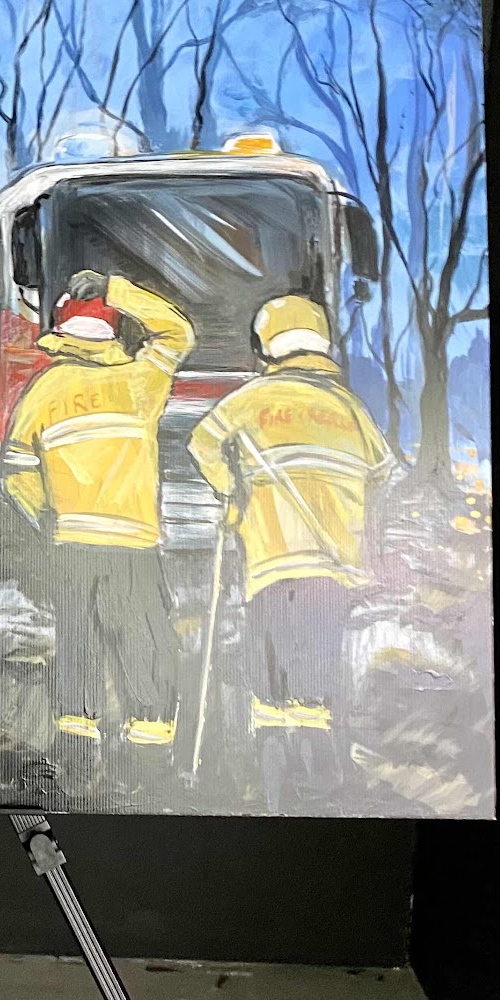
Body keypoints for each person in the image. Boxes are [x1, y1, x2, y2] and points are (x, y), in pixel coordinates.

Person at [187, 295, 393, 754]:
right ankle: (316, 766)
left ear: (266, 348)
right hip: (332, 564)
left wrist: (231, 491)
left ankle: (272, 765)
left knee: (270, 667)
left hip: (270, 560)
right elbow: (382, 471)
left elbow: (202, 443)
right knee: (317, 669)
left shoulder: (251, 400)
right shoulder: (350, 409)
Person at [0, 269, 195, 748]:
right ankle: (150, 740)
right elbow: (178, 333)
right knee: (143, 636)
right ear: (114, 331)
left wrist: (45, 514)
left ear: (63, 331)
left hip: (72, 539)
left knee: (78, 640)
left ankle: (77, 741)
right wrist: (116, 289)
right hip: (134, 539)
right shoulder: (141, 381)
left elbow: (16, 470)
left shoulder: (45, 389)